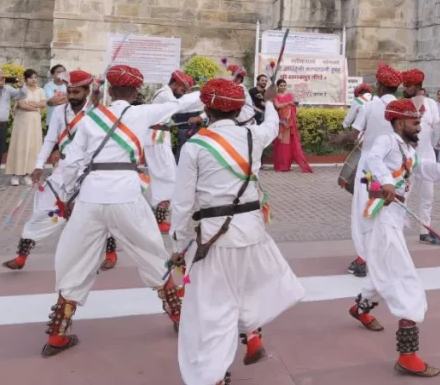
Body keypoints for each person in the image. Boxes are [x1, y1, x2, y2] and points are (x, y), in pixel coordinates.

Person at [41, 64, 203, 358]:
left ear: (111, 90)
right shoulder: (142, 113)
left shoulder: (91, 119)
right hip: (127, 195)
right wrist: (216, 93)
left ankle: (57, 333)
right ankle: (178, 317)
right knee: (151, 252)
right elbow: (183, 103)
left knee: (75, 259)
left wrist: (62, 197)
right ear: (137, 92)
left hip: (91, 197)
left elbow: (71, 164)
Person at [170, 79, 305, 385]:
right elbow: (272, 124)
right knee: (245, 290)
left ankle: (212, 376)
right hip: (254, 236)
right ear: (238, 109)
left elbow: (181, 204)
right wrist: (269, 101)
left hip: (214, 241)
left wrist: (178, 243)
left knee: (212, 313)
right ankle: (252, 336)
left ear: (206, 109)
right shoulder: (253, 136)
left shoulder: (194, 146)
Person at [348, 98, 440, 377]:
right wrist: (387, 181)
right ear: (400, 123)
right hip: (382, 222)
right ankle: (407, 356)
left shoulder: (409, 153)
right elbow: (372, 158)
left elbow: (435, 172)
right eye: (415, 123)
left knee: (382, 275)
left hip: (394, 223)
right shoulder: (387, 141)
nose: (420, 128)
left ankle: (359, 308)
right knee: (407, 283)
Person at [2, 70, 118, 271]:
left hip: (89, 172)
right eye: (69, 91)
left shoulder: (97, 112)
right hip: (62, 170)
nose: (72, 96)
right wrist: (39, 165)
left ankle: (110, 253)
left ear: (87, 91)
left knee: (101, 213)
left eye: (76, 92)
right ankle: (21, 257)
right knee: (42, 210)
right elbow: (50, 140)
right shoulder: (59, 112)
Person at [346, 63, 402, 278]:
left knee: (364, 212)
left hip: (369, 168)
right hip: (395, 169)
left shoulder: (370, 106)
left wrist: (337, 138)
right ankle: (388, 257)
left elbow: (353, 135)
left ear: (379, 85)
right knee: (390, 212)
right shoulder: (402, 107)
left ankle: (363, 258)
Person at [146, 70, 204, 233]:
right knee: (168, 179)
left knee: (165, 179)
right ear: (175, 84)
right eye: (183, 90)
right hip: (156, 139)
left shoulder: (166, 94)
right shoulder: (165, 94)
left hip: (159, 137)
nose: (183, 94)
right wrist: (203, 96)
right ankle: (158, 220)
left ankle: (158, 219)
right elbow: (182, 106)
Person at [401, 69, 440, 245]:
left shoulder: (432, 104)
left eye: (407, 86)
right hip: (408, 159)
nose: (404, 88)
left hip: (428, 157)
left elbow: (436, 135)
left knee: (428, 196)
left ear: (417, 86)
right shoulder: (402, 104)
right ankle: (396, 229)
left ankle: (425, 231)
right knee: (403, 195)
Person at [5, 69, 48, 186]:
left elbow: (43, 104)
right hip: (22, 122)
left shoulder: (40, 90)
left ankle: (28, 174)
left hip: (35, 122)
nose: (34, 80)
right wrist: (35, 106)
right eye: (31, 78)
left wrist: (32, 105)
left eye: (35, 77)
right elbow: (22, 105)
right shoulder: (21, 90)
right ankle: (16, 174)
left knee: (33, 147)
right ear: (25, 78)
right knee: (20, 145)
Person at [272, 79, 313, 173]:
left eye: (284, 85)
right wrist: (287, 104)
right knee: (279, 143)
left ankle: (286, 165)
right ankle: (279, 165)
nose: (283, 87)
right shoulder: (275, 96)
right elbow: (277, 106)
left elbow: (292, 108)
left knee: (286, 143)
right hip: (278, 122)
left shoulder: (289, 96)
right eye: (281, 85)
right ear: (278, 86)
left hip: (288, 123)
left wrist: (289, 108)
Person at [44, 64, 68, 129]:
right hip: (52, 120)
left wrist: (55, 102)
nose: (61, 74)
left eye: (63, 72)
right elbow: (50, 100)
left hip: (66, 120)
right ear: (52, 74)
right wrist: (65, 99)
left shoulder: (68, 85)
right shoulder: (48, 86)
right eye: (58, 72)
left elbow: (71, 99)